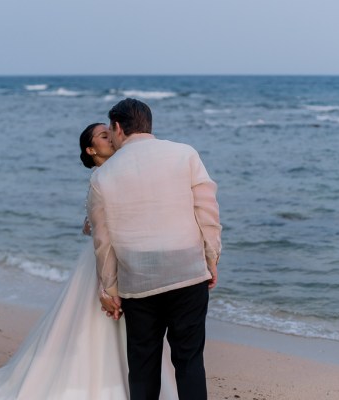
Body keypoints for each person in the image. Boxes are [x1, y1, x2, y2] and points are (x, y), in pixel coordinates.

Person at [0, 123, 178, 400]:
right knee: (95, 322)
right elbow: (97, 225)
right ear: (91, 148)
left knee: (127, 323)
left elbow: (93, 223)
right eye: (104, 136)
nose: (112, 137)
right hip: (102, 259)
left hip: (121, 255)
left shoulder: (115, 172)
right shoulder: (103, 175)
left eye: (111, 132)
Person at [88, 99, 221, 400]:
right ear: (148, 124)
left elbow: (103, 242)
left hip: (138, 284)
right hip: (187, 273)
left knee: (143, 365)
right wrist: (211, 257)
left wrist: (109, 288)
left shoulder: (102, 177)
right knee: (189, 361)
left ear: (118, 128)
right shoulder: (184, 154)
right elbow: (207, 211)